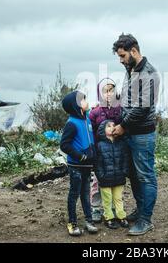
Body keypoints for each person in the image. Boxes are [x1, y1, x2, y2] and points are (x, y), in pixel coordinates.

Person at [111, 33, 160, 236]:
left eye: (123, 56)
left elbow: (142, 108)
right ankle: (140, 210)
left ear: (134, 51)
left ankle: (145, 220)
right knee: (133, 175)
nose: (121, 60)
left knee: (146, 176)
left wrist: (122, 126)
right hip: (128, 133)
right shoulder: (130, 69)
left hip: (142, 135)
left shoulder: (150, 74)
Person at [60, 91, 99, 237]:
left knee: (86, 193)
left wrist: (92, 158)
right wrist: (80, 156)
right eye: (83, 100)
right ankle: (72, 223)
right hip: (76, 166)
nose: (86, 101)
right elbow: (64, 145)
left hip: (87, 166)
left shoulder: (87, 120)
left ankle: (89, 221)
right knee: (74, 194)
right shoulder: (71, 123)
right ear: (75, 105)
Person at [88, 78, 122, 222]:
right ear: (99, 93)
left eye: (111, 90)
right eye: (105, 91)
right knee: (98, 181)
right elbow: (91, 132)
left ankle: (114, 207)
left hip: (116, 152)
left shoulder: (120, 109)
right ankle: (96, 208)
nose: (109, 94)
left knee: (116, 180)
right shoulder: (95, 112)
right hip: (101, 153)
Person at [95, 120, 130, 229]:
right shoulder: (99, 145)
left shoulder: (121, 143)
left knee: (118, 198)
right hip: (105, 179)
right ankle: (108, 217)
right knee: (107, 199)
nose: (112, 128)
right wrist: (100, 175)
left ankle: (121, 216)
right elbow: (97, 163)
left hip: (119, 177)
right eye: (108, 126)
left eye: (114, 126)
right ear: (102, 130)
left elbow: (125, 158)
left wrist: (124, 171)